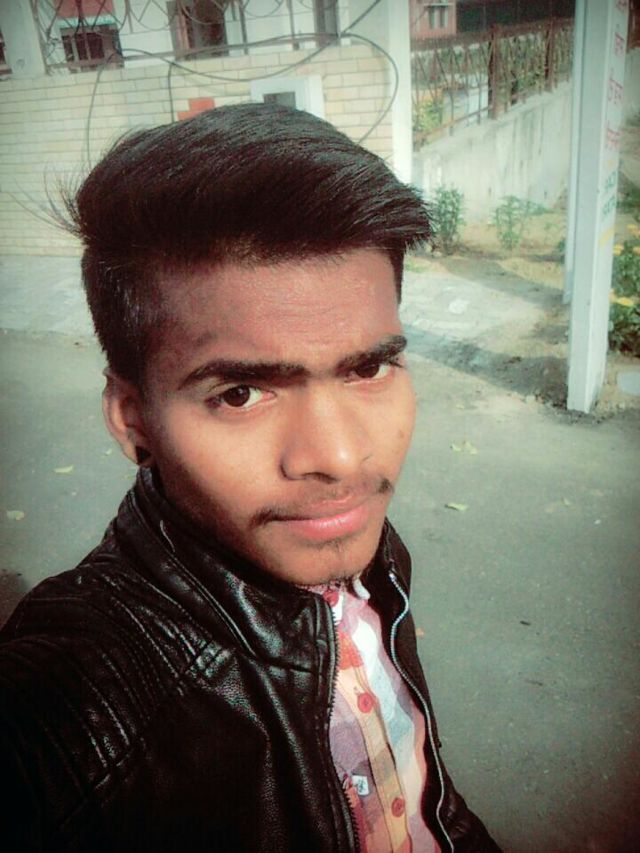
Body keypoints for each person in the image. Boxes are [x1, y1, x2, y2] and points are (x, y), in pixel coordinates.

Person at [0, 103, 500, 852]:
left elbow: (429, 803)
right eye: (240, 394)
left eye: (369, 368)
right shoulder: (86, 702)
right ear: (133, 420)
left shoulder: (359, 549)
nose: (340, 458)